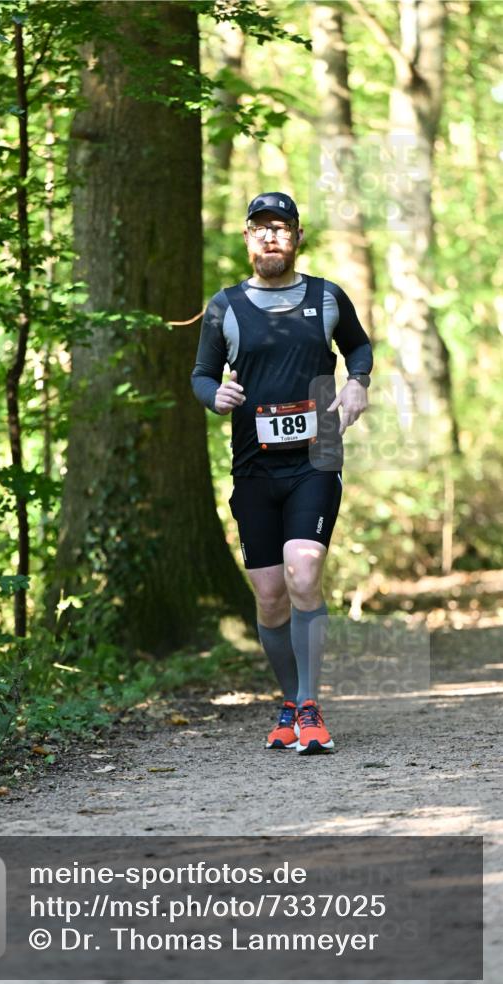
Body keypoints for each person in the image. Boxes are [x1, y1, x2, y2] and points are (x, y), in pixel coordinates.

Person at [191, 192, 372, 755]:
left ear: (296, 237)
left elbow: (359, 348)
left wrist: (356, 382)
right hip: (253, 468)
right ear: (247, 239)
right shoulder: (224, 307)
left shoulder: (326, 296)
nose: (271, 237)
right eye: (260, 228)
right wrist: (214, 394)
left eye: (282, 228)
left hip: (317, 459)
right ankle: (290, 700)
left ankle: (312, 707)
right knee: (269, 596)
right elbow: (200, 375)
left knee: (304, 568)